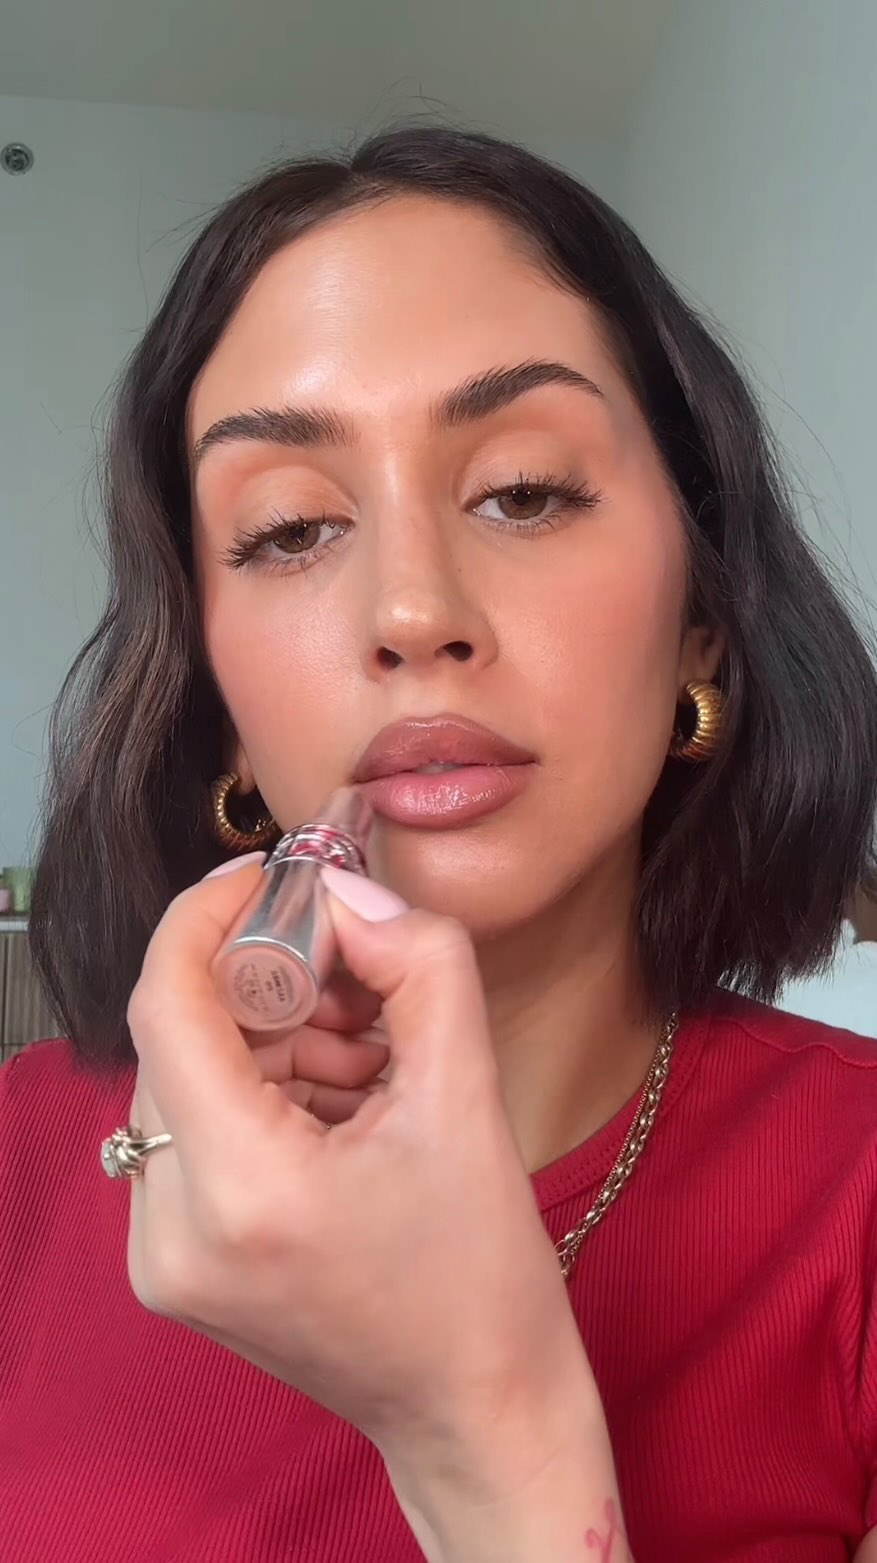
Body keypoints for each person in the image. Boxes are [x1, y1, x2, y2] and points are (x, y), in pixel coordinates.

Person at [1, 124, 876, 1563]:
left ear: (699, 630)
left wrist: (485, 1439)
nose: (411, 611)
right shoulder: (18, 1159)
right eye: (291, 529)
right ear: (219, 707)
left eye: (522, 492)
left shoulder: (853, 1200)